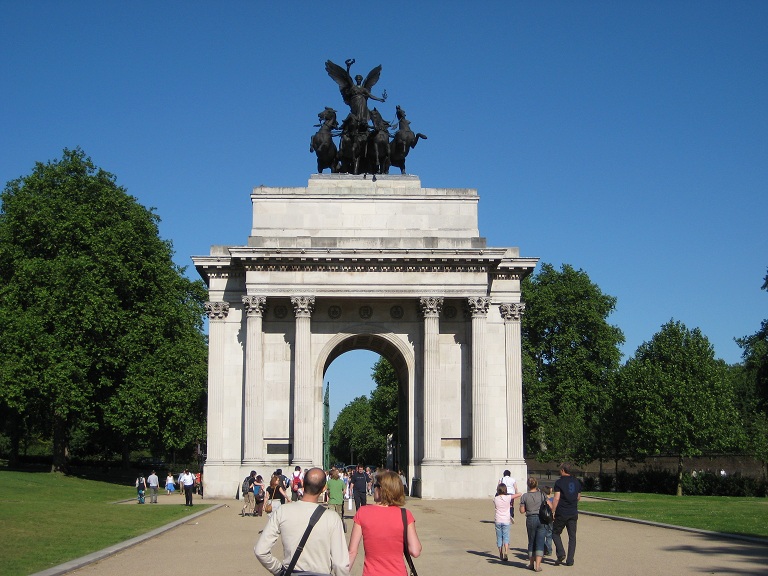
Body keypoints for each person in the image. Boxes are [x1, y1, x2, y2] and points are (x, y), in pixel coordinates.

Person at [255, 467, 349, 576]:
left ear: (303, 483)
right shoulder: (332, 518)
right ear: (324, 488)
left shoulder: (283, 511)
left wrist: (279, 570)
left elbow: (260, 551)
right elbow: (340, 564)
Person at [348, 470, 422, 575]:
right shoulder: (405, 515)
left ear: (381, 489)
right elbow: (415, 551)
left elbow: (352, 552)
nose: (374, 489)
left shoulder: (363, 512)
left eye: (375, 486)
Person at [551, 462, 582, 567]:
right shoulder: (577, 482)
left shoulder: (559, 483)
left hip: (562, 512)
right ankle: (570, 560)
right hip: (573, 512)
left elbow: (556, 498)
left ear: (563, 470)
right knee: (572, 536)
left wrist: (552, 511)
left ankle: (561, 553)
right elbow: (578, 497)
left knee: (555, 533)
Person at [519, 477, 547, 572]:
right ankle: (538, 565)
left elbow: (522, 511)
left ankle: (531, 563)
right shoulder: (542, 494)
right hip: (541, 518)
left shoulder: (525, 496)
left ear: (528, 485)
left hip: (531, 518)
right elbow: (549, 505)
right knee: (540, 541)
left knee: (531, 541)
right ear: (537, 484)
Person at [492, 484, 513, 562]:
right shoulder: (508, 498)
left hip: (498, 519)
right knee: (506, 537)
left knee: (499, 538)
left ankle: (500, 553)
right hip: (506, 520)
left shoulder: (495, 499)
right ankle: (506, 552)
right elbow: (519, 494)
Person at [542, 486, 554, 555]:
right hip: (550, 518)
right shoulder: (552, 499)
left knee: (542, 534)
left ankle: (544, 548)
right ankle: (549, 549)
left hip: (543, 518)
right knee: (549, 535)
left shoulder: (542, 500)